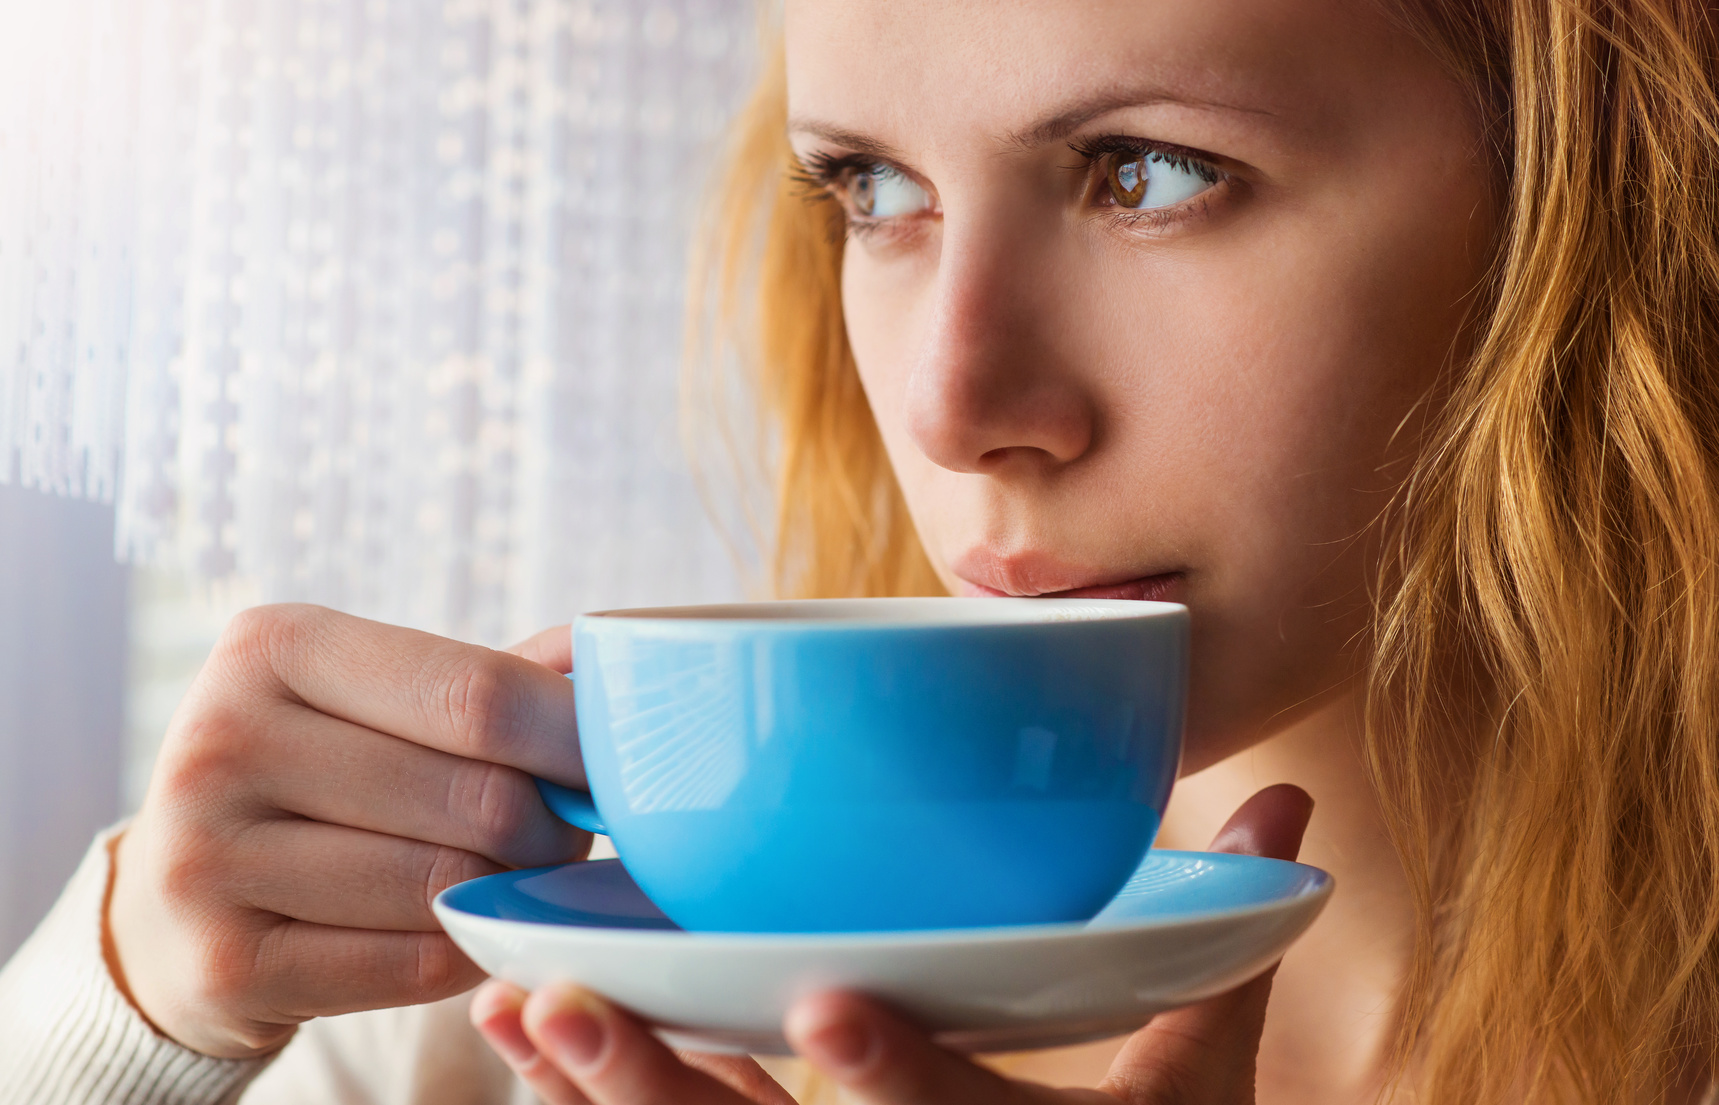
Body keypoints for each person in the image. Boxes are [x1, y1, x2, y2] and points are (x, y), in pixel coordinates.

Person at [4, 0, 1717, 1101]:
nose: (954, 400)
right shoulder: (511, 998)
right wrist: (137, 1011)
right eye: (874, 193)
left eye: (1151, 170)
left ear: (1604, 203)